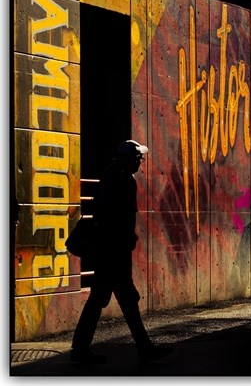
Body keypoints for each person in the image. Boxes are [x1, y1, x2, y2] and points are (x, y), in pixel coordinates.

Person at [71, 140, 172, 365]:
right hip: (114, 252)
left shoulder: (112, 175)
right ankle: (142, 349)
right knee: (122, 299)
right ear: (131, 159)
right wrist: (127, 240)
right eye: (139, 158)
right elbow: (119, 218)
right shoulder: (123, 179)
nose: (140, 162)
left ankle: (81, 349)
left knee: (110, 299)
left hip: (110, 250)